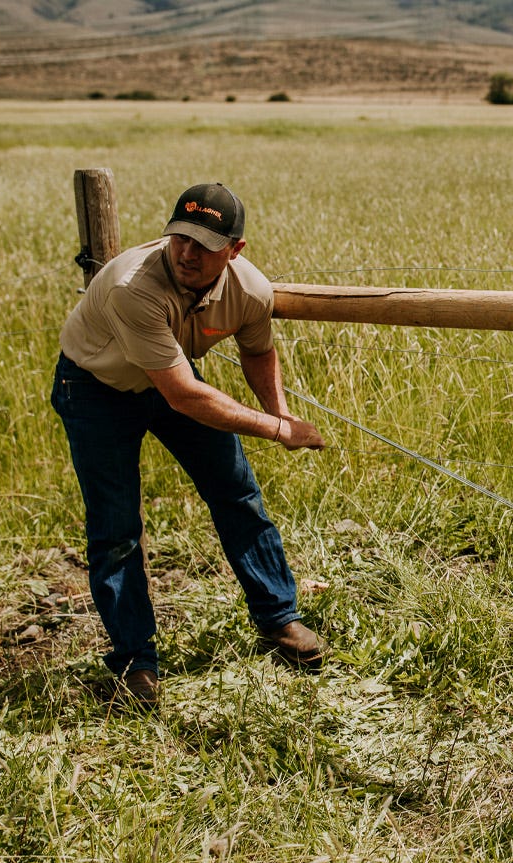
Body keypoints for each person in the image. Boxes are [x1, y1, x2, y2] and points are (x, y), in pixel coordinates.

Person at [52, 183, 328, 707]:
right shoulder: (131, 286)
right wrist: (277, 431)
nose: (186, 252)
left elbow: (258, 351)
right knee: (116, 528)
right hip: (96, 388)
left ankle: (279, 619)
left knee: (237, 494)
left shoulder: (250, 290)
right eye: (179, 237)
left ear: (235, 250)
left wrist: (281, 412)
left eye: (203, 243)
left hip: (172, 378)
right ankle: (135, 662)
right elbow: (182, 395)